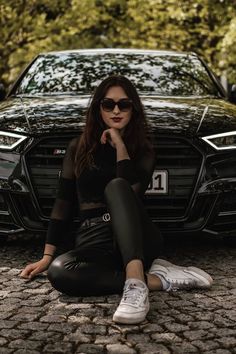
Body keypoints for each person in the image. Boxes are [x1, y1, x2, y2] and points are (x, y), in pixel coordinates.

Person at [20, 75, 213, 324]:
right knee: (59, 272)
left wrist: (120, 145)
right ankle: (158, 279)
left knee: (116, 186)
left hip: (137, 236)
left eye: (124, 104)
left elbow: (131, 193)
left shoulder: (143, 150)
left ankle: (135, 286)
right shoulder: (77, 147)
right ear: (97, 108)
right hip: (94, 239)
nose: (116, 110)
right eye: (108, 104)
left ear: (134, 109)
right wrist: (47, 257)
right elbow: (63, 202)